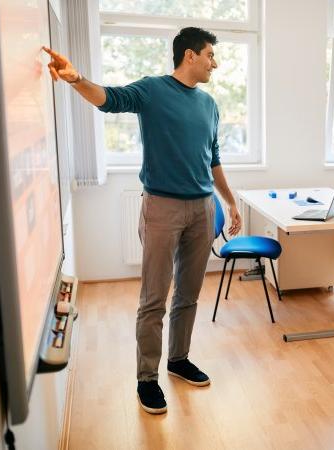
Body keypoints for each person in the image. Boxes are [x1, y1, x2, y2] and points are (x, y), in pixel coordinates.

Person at [43, 27, 242, 414]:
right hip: (162, 209)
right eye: (210, 55)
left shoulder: (210, 105)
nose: (214, 63)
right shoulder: (153, 91)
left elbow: (213, 158)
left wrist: (230, 203)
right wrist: (76, 79)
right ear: (189, 55)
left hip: (202, 209)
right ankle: (146, 379)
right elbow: (110, 100)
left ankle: (178, 359)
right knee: (154, 299)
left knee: (188, 294)